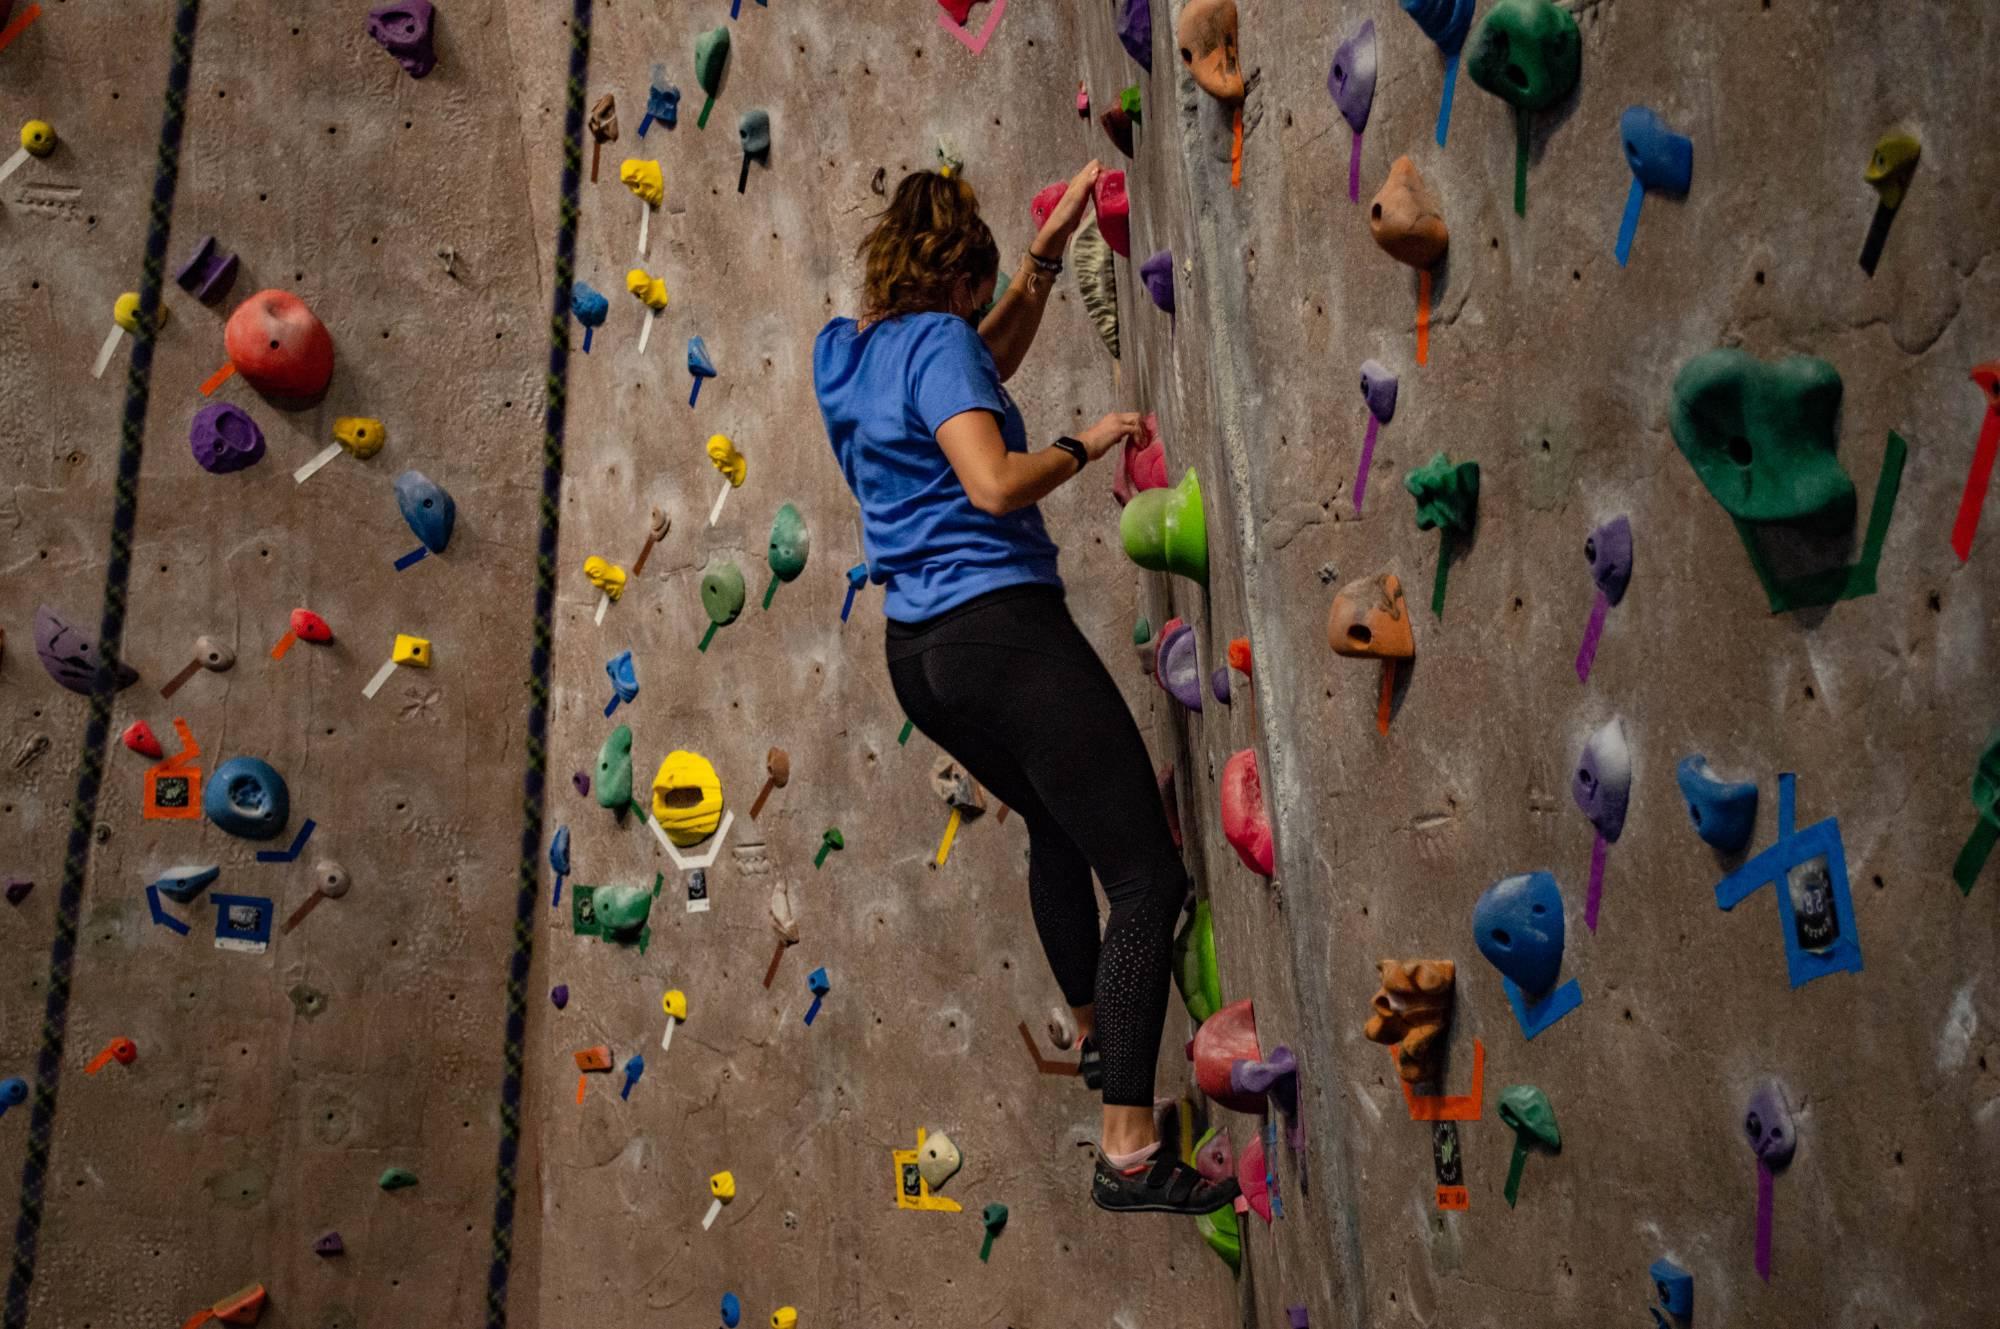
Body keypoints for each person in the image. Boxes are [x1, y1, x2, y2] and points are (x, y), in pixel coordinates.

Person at [812, 163, 1238, 1217]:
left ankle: (1098, 1037)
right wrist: (1083, 443)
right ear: (958, 277)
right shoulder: (941, 345)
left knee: (1055, 822)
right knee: (1146, 880)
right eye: (980, 285)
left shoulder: (849, 356)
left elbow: (963, 372)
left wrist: (1044, 260)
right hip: (998, 628)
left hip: (918, 656)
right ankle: (1128, 1149)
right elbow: (991, 476)